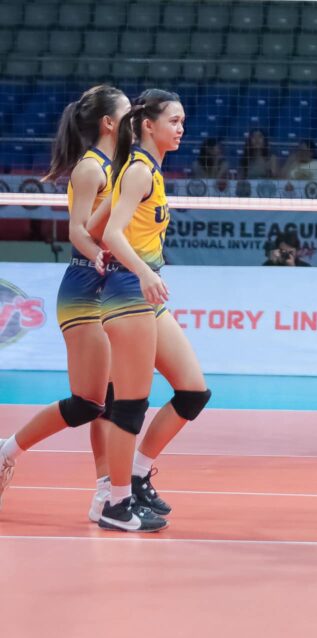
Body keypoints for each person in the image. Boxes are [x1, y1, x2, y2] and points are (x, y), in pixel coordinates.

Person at [0, 86, 129, 519]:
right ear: (109, 123)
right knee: (87, 402)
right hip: (84, 287)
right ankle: (7, 450)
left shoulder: (121, 166)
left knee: (107, 398)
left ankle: (106, 491)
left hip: (110, 286)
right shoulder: (91, 168)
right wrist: (98, 254)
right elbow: (77, 230)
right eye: (128, 113)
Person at [97, 89, 211, 532]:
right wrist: (143, 272)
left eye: (183, 122)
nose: (181, 129)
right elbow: (111, 232)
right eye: (174, 121)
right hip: (129, 293)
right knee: (130, 404)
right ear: (149, 125)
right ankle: (116, 502)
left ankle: (139, 474)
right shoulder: (140, 172)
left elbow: (94, 227)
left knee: (192, 391)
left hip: (143, 294)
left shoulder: (152, 172)